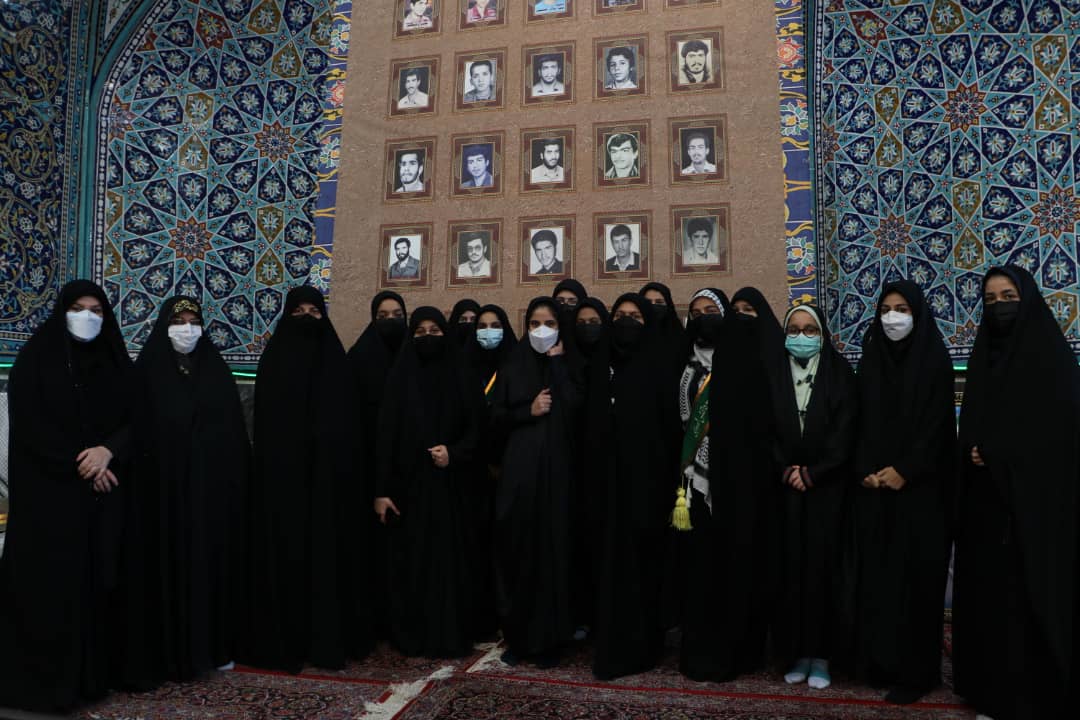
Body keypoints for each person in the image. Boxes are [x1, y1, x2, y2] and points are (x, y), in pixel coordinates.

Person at [0, 281, 139, 712]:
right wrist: (84, 465)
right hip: (50, 498)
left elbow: (137, 418)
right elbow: (31, 428)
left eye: (96, 310)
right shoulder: (35, 361)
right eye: (78, 308)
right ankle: (42, 686)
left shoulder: (114, 362)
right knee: (50, 589)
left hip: (103, 494)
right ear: (62, 311)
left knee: (98, 583)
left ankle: (91, 679)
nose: (87, 317)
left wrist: (108, 451)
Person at [953, 266, 1080, 719]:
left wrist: (999, 453)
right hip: (988, 510)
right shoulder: (984, 357)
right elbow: (972, 427)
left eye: (1008, 296)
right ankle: (992, 695)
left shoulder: (1052, 361)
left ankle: (1033, 697)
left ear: (1027, 300)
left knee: (1027, 604)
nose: (999, 306)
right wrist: (972, 450)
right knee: (991, 604)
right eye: (990, 300)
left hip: (1036, 513)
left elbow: (1058, 438)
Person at [241, 286, 360, 672]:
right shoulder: (274, 362)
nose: (307, 318)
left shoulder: (336, 364)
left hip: (327, 484)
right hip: (283, 485)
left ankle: (325, 642)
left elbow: (347, 427)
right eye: (298, 311)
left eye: (314, 311)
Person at [131, 297, 249, 684]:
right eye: (178, 321)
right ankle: (167, 654)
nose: (186, 328)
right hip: (162, 495)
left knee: (207, 568)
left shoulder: (214, 369)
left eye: (193, 320)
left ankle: (212, 648)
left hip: (208, 496)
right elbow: (137, 430)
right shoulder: (148, 370)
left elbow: (232, 433)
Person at [851, 281, 953, 705]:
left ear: (918, 314)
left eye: (902, 309)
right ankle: (881, 663)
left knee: (917, 582)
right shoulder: (871, 358)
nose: (892, 317)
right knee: (879, 579)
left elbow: (938, 428)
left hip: (921, 493)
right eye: (886, 309)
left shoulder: (934, 359)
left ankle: (917, 673)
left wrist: (906, 470)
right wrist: (866, 471)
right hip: (875, 490)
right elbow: (858, 421)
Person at [375, 307, 484, 657]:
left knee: (450, 564)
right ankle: (413, 635)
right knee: (413, 562)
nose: (427, 337)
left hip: (454, 488)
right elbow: (385, 436)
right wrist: (382, 490)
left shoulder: (462, 375)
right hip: (408, 490)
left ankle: (451, 634)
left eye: (434, 331)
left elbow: (479, 429)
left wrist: (455, 453)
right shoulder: (400, 378)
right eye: (419, 331)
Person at [589, 294, 680, 680]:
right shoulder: (600, 366)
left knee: (644, 568)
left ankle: (645, 645)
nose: (627, 322)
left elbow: (670, 431)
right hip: (605, 489)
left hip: (648, 488)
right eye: (620, 315)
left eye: (636, 317)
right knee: (609, 567)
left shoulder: (660, 366)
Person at [491, 297, 584, 667]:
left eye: (549, 323)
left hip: (558, 479)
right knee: (518, 553)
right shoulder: (512, 365)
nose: (541, 331)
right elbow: (493, 418)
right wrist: (526, 411)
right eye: (534, 324)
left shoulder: (571, 364)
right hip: (519, 478)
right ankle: (519, 639)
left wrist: (558, 364)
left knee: (553, 554)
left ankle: (551, 641)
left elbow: (577, 409)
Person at [771, 304, 856, 691]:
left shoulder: (840, 374)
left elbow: (846, 431)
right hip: (786, 489)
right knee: (790, 570)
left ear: (822, 335)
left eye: (810, 330)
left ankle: (821, 656)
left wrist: (814, 472)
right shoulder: (773, 373)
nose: (801, 336)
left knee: (823, 571)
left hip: (827, 490)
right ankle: (796, 652)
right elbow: (764, 429)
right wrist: (785, 469)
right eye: (794, 329)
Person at [347, 292, 408, 644]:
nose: (391, 321)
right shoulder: (359, 359)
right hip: (369, 468)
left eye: (397, 314)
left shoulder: (412, 356)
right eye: (383, 316)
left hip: (411, 469)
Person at [462, 304, 519, 638]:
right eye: (481, 326)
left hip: (510, 469)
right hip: (471, 471)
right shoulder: (462, 367)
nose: (488, 331)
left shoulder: (517, 365)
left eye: (495, 325)